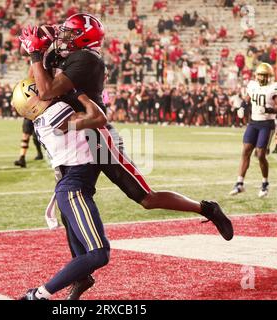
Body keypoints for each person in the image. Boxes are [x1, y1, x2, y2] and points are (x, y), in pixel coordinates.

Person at [20, 14, 233, 299]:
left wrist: (36, 53)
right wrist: (41, 48)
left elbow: (45, 90)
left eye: (70, 34)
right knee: (71, 193)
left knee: (144, 197)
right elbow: (39, 81)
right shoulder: (71, 56)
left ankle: (207, 209)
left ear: (84, 39)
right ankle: (80, 276)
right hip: (77, 135)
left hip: (96, 135)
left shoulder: (87, 59)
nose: (64, 38)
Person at [11, 78, 108, 300]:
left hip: (71, 187)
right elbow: (98, 117)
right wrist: (80, 92)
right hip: (74, 188)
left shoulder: (43, 119)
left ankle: (71, 287)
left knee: (83, 258)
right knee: (98, 254)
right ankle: (37, 295)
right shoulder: (57, 111)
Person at [230, 63, 277, 198]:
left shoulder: (274, 88)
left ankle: (265, 183)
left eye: (264, 75)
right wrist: (242, 107)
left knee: (260, 154)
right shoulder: (252, 85)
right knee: (246, 150)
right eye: (260, 74)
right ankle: (239, 183)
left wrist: (267, 109)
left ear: (269, 76)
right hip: (253, 122)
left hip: (267, 124)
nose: (261, 77)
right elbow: (247, 99)